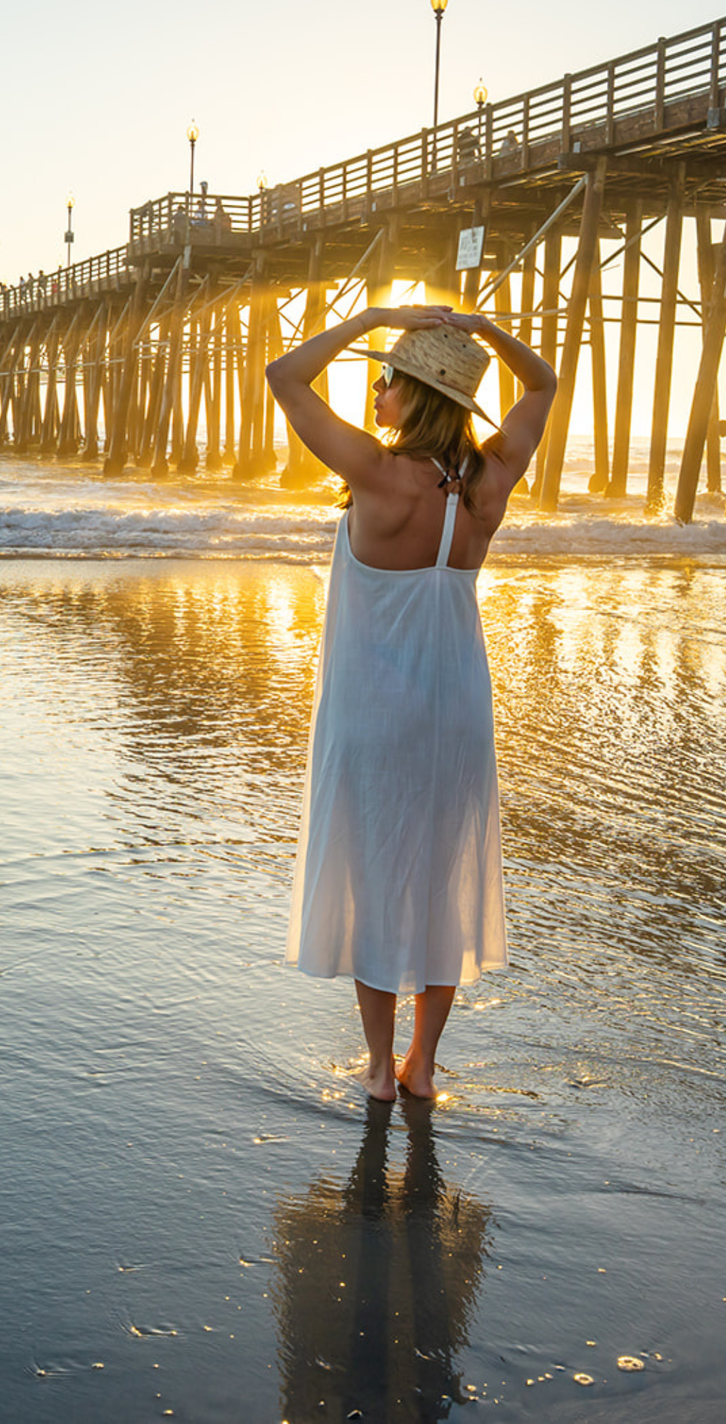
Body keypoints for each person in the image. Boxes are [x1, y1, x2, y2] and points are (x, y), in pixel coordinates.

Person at [266, 305, 555, 1100]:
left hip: (370, 714)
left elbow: (284, 376)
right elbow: (543, 383)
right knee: (439, 880)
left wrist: (373, 313)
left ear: (419, 392)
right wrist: (489, 331)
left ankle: (377, 1067)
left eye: (388, 376)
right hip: (455, 712)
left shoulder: (375, 472)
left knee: (372, 874)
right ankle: (422, 1065)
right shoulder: (488, 481)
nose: (376, 388)